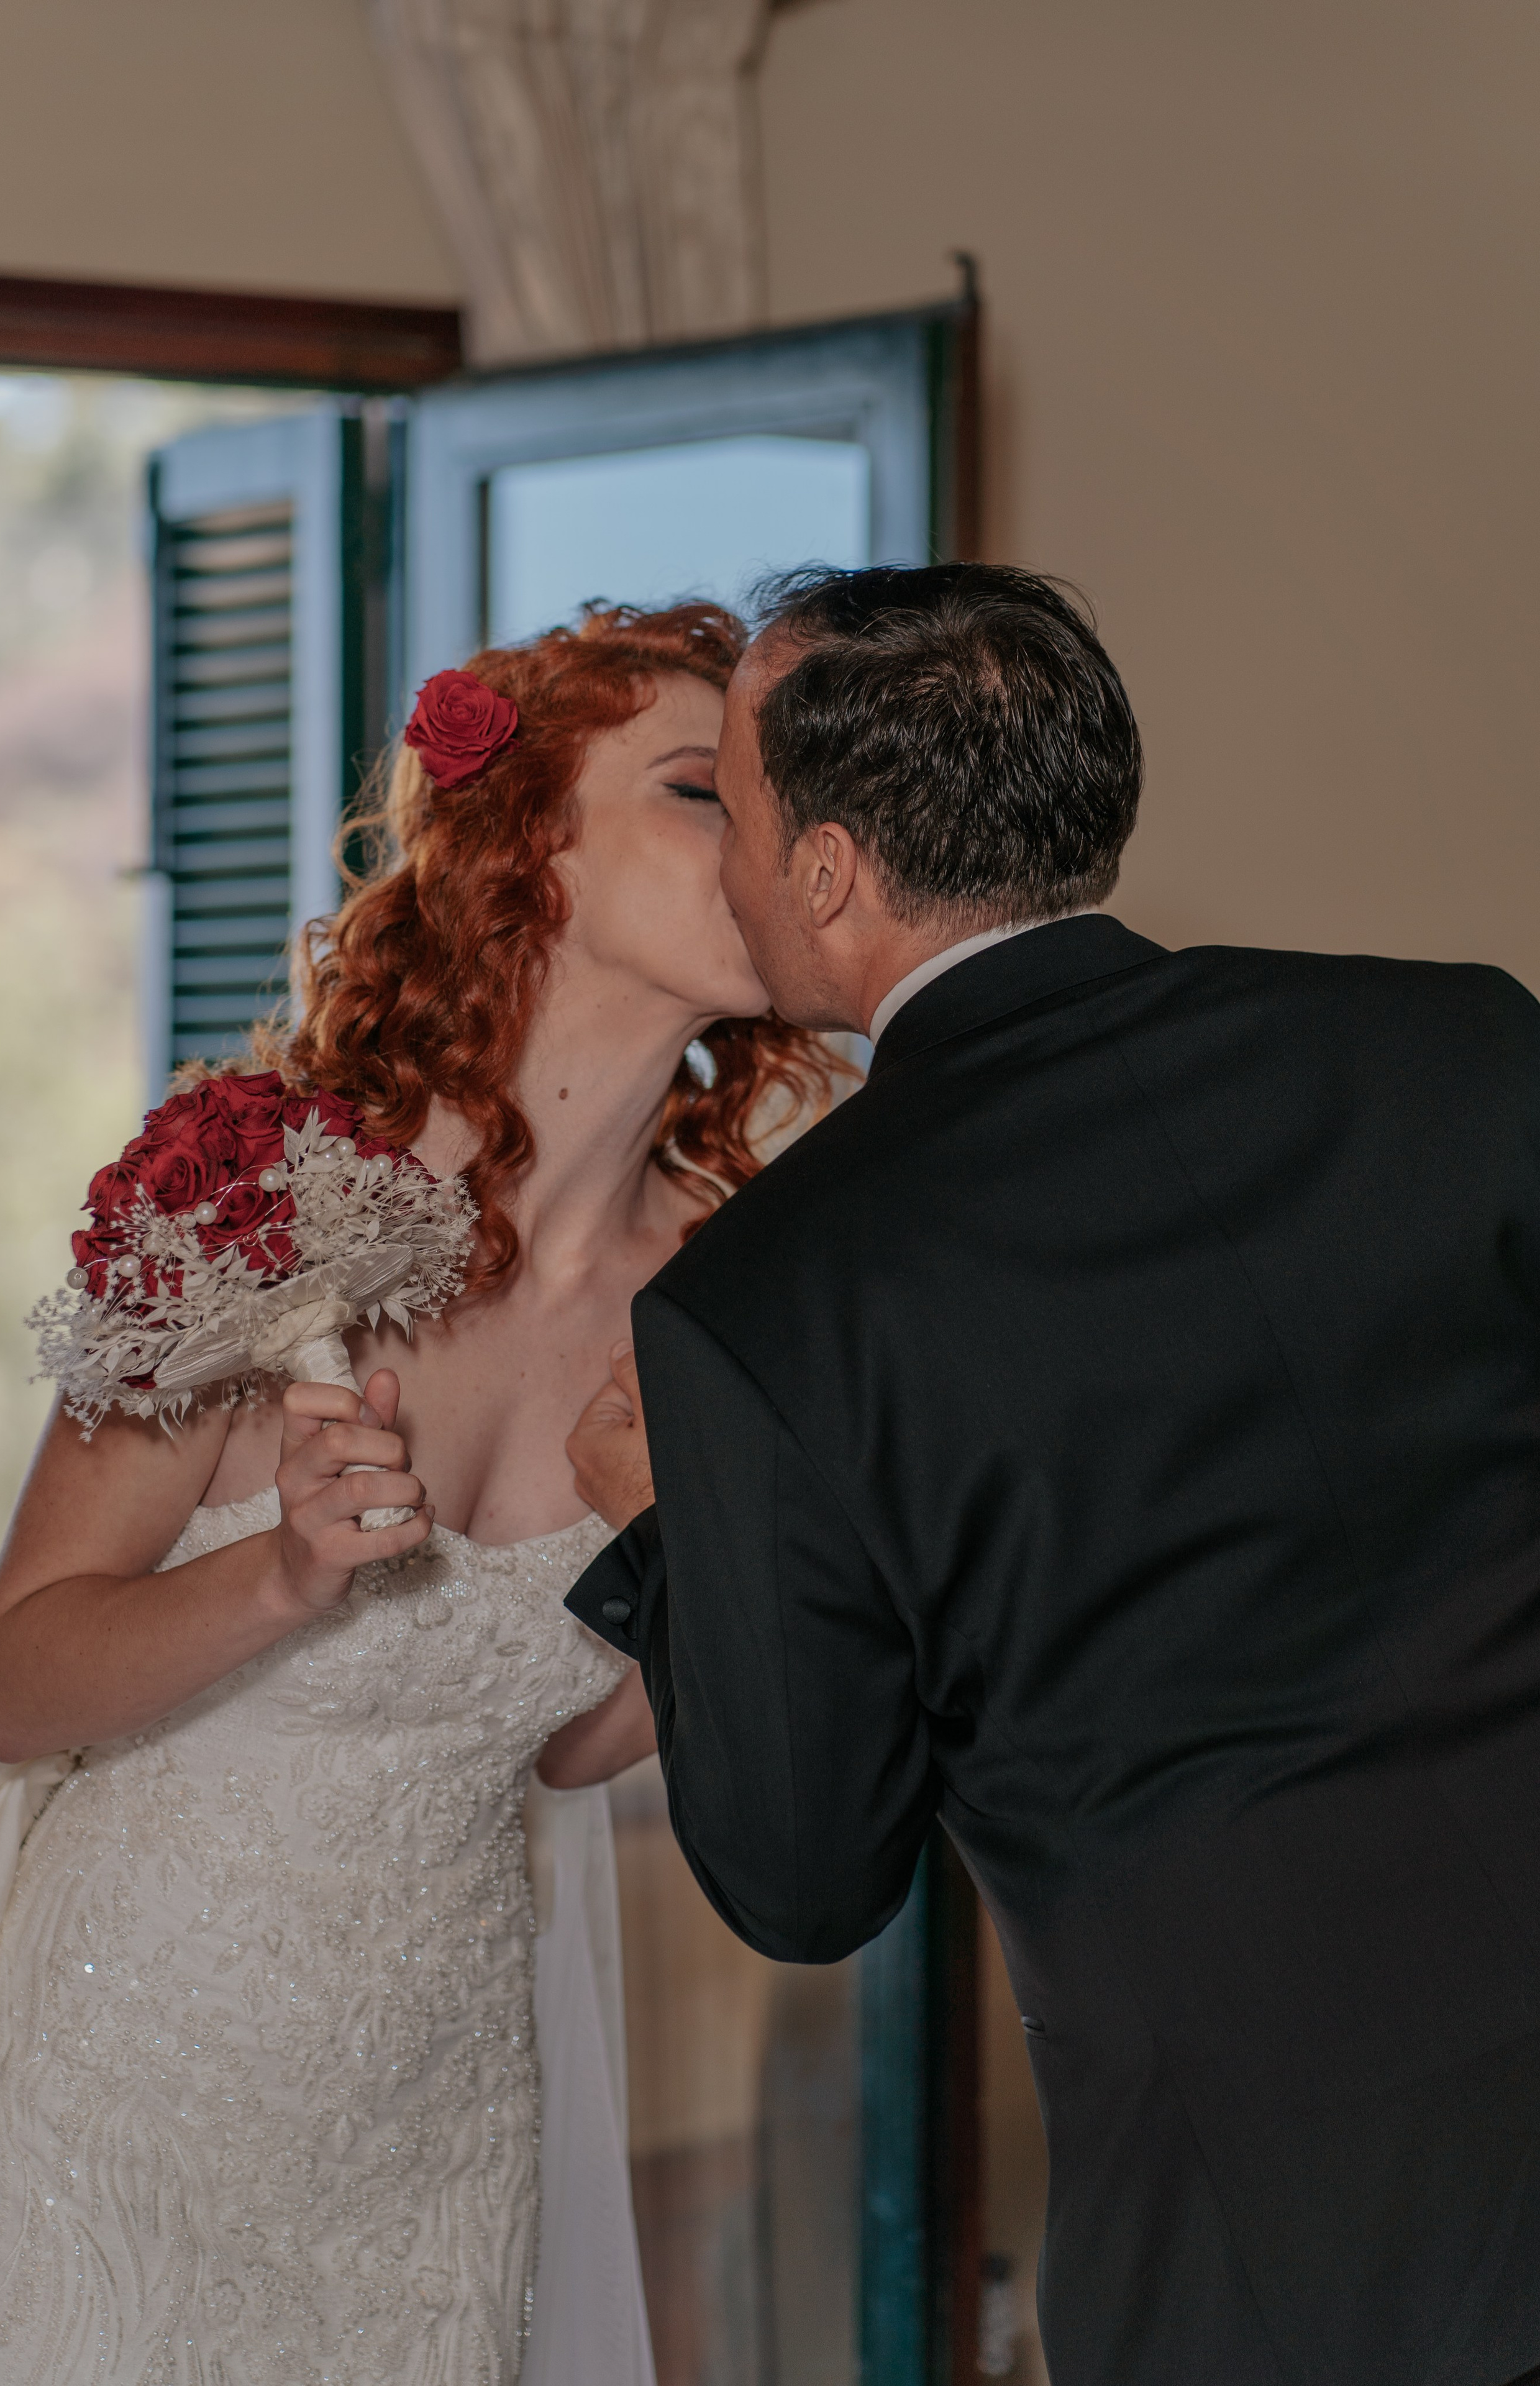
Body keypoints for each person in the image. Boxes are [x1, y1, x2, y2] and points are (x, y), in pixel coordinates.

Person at [566, 562, 1540, 2386]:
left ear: (832, 874)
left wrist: (654, 1522)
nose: (732, 866)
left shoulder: (772, 1299)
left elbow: (806, 1872)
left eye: (743, 819)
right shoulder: (1468, 1043)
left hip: (1267, 2256)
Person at [0, 601, 829, 2386]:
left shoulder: (734, 1283)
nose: (768, 833)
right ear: (535, 853)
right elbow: (12, 1676)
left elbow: (573, 1749)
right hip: (116, 2101)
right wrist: (276, 1578)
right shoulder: (266, 1185)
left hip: (435, 2125)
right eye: (697, 785)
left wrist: (692, 1545)